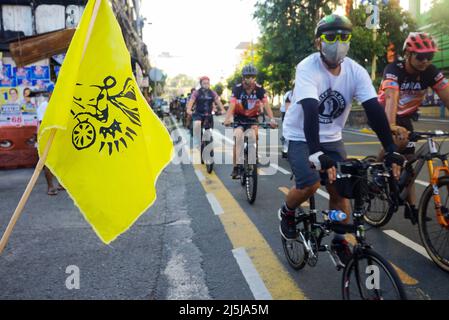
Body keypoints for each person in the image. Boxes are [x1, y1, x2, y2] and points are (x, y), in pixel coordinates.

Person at [278, 14, 404, 266]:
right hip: (301, 135)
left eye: (344, 36)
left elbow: (373, 110)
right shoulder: (307, 67)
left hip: (332, 137)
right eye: (331, 36)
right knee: (310, 185)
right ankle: (287, 211)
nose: (338, 41)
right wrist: (315, 153)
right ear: (318, 43)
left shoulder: (356, 71)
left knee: (341, 188)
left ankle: (339, 240)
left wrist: (390, 149)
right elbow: (311, 110)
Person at [378, 32, 449, 224]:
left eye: (429, 56)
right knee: (397, 141)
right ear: (408, 53)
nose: (425, 61)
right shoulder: (394, 69)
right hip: (383, 112)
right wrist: (391, 126)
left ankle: (412, 208)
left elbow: (446, 94)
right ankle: (377, 169)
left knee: (409, 162)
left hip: (406, 116)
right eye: (420, 56)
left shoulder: (431, 72)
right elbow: (391, 97)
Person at [223, 64, 277, 178]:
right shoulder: (237, 89)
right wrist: (227, 119)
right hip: (239, 118)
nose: (250, 79)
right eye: (248, 77)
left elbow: (266, 105)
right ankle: (236, 167)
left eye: (252, 77)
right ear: (243, 78)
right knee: (238, 137)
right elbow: (232, 105)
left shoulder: (259, 89)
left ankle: (254, 155)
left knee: (253, 135)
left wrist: (272, 119)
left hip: (253, 118)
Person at [36, 85, 64, 195]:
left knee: (60, 161)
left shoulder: (58, 105)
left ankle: (61, 184)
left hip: (58, 136)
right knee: (47, 162)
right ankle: (50, 186)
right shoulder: (44, 105)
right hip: (47, 137)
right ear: (49, 93)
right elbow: (43, 122)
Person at [186, 77, 225, 153]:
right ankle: (199, 142)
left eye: (208, 83)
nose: (206, 85)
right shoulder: (196, 93)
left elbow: (218, 102)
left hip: (208, 115)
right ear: (201, 84)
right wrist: (189, 109)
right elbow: (191, 101)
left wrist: (223, 109)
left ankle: (209, 145)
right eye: (204, 83)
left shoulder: (212, 92)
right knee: (197, 124)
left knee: (209, 131)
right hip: (198, 114)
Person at [280, 88, 293, 158]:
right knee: (286, 131)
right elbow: (287, 108)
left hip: (294, 114)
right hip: (286, 113)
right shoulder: (289, 94)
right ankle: (285, 150)